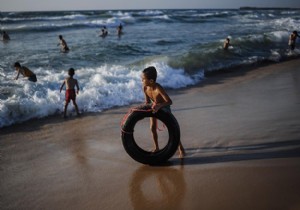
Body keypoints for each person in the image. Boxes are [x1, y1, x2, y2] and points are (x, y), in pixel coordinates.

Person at [141, 66, 185, 158]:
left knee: (173, 129)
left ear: (151, 81)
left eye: (143, 79)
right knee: (152, 127)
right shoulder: (145, 88)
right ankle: (156, 147)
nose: (142, 81)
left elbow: (169, 101)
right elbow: (148, 102)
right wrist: (143, 108)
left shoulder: (158, 88)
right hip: (154, 106)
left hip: (164, 106)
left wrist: (159, 106)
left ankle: (180, 148)